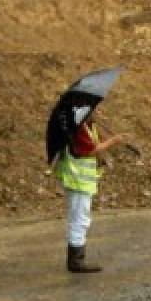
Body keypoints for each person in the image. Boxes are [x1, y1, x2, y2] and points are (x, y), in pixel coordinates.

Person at [53, 107, 128, 273]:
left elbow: (92, 148)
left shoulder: (86, 126)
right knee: (80, 219)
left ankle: (76, 258)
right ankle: (76, 261)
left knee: (79, 218)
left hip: (80, 181)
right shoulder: (78, 129)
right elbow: (91, 150)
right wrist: (114, 141)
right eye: (95, 110)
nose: (98, 113)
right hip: (78, 180)